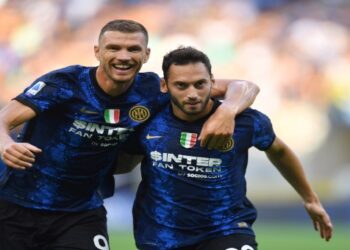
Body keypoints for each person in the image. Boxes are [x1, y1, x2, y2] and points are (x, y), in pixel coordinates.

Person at [0, 20, 259, 250]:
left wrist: (227, 110)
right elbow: (3, 120)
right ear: (97, 51)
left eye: (133, 49)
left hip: (79, 213)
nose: (123, 56)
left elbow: (244, 86)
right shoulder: (64, 84)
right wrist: (6, 145)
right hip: (14, 203)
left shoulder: (152, 89)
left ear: (146, 54)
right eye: (114, 48)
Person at [117, 46, 333, 250]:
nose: (192, 93)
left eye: (200, 84)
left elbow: (279, 151)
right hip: (161, 235)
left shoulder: (246, 122)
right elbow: (122, 161)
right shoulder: (148, 119)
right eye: (181, 85)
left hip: (226, 228)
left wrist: (310, 199)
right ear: (165, 86)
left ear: (212, 82)